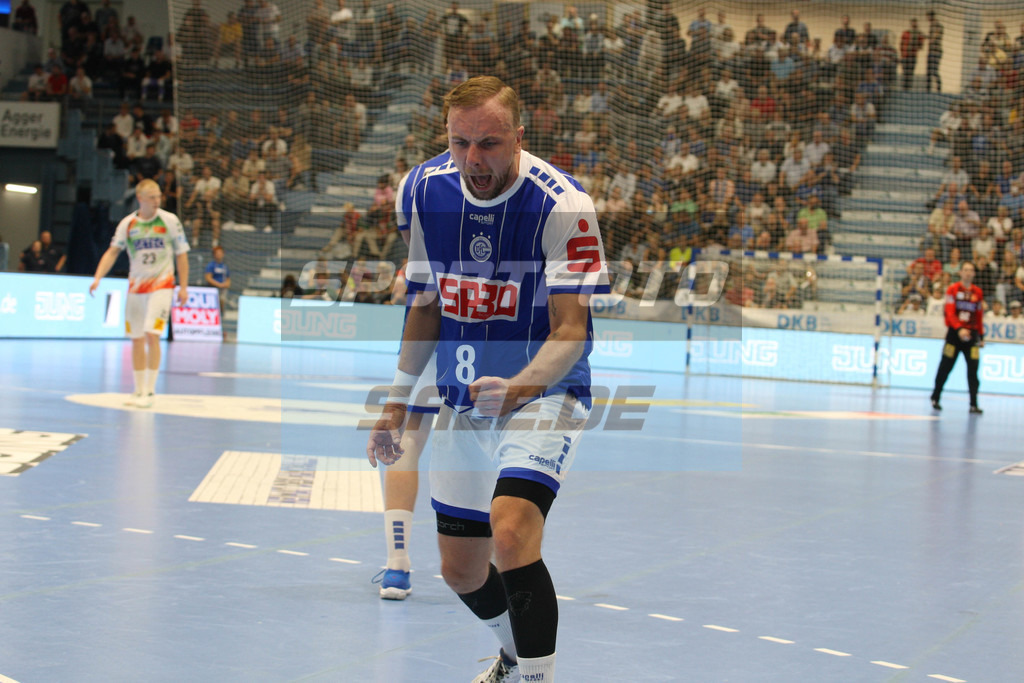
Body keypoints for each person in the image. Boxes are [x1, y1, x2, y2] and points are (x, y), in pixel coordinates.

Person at [366, 76, 608, 683]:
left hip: (543, 394)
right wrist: (396, 402)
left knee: (511, 531)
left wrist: (520, 387)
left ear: (518, 137)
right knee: (461, 571)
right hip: (461, 401)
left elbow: (571, 329)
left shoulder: (563, 204)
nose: (473, 159)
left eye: (490, 143)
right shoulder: (423, 189)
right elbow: (425, 304)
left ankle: (537, 677)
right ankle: (513, 654)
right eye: (460, 142)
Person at [370, 150, 454, 601]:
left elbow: (414, 247)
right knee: (490, 451)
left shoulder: (416, 180)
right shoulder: (506, 170)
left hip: (431, 323)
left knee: (405, 445)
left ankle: (397, 564)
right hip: (483, 330)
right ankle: (496, 566)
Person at [89, 179, 190, 408]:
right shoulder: (128, 224)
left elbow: (182, 254)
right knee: (136, 338)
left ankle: (150, 391)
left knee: (151, 334)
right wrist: (98, 277)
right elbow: (113, 252)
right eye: (152, 197)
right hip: (136, 287)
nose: (157, 201)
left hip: (162, 285)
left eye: (159, 196)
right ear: (140, 198)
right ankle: (138, 390)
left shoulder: (169, 221)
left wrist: (183, 287)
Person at [930, 261, 984, 413]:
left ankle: (973, 404)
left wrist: (981, 336)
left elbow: (979, 315)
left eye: (971, 270)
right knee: (945, 367)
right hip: (954, 335)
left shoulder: (978, 292)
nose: (968, 273)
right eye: (965, 270)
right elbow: (949, 312)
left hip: (972, 336)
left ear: (974, 273)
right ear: (960, 272)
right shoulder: (952, 289)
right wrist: (959, 329)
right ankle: (935, 397)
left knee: (973, 370)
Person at [204, 245, 231, 316]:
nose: (219, 255)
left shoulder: (225, 266)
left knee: (222, 303)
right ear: (214, 254)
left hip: (222, 290)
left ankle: (221, 316)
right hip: (212, 289)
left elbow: (228, 278)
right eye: (217, 253)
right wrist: (219, 285)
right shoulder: (211, 265)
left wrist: (226, 284)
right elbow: (208, 278)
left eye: (220, 253)